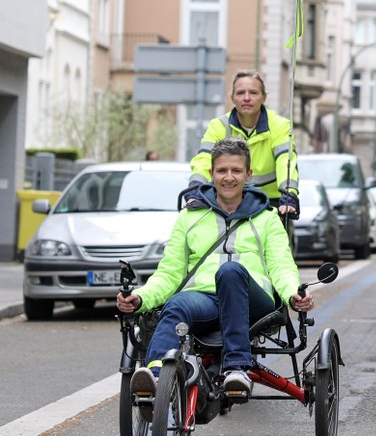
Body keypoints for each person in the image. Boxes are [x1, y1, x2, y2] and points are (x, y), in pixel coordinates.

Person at [118, 137, 314, 400]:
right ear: (211, 174)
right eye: (222, 171)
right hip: (206, 300)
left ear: (248, 174)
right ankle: (154, 376)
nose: (229, 178)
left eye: (236, 171)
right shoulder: (190, 217)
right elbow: (170, 272)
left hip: (254, 303)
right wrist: (140, 297)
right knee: (177, 303)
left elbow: (281, 266)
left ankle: (236, 369)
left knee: (230, 272)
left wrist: (293, 294)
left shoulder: (267, 218)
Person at [188, 70, 299, 217]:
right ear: (232, 98)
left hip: (270, 204)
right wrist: (195, 190)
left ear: (264, 97)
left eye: (253, 93)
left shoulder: (280, 125)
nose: (246, 98)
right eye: (240, 93)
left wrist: (288, 194)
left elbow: (286, 161)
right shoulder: (218, 126)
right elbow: (204, 160)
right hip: (227, 204)